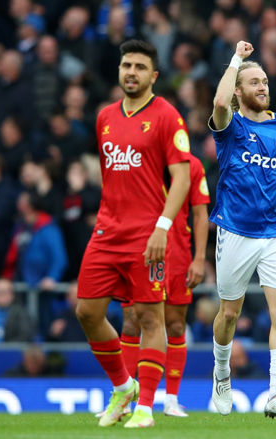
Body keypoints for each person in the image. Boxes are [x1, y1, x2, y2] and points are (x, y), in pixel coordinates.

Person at [75, 40, 191, 428]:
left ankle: (145, 407)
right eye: (127, 65)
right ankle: (123, 386)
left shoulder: (167, 116)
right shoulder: (105, 117)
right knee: (87, 312)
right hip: (107, 231)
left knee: (149, 317)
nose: (131, 72)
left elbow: (181, 179)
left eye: (140, 67)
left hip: (147, 235)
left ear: (153, 76)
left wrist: (162, 227)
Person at [208, 40, 276, 419]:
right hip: (235, 229)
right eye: (254, 82)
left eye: (264, 81)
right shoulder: (230, 127)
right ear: (238, 91)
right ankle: (221, 372)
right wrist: (236, 59)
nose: (262, 87)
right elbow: (218, 103)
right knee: (229, 314)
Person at [114, 154, 210, 417]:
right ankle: (123, 400)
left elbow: (200, 214)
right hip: (139, 252)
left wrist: (199, 259)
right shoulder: (136, 158)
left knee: (176, 325)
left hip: (178, 255)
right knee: (132, 322)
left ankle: (171, 400)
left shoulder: (192, 166)